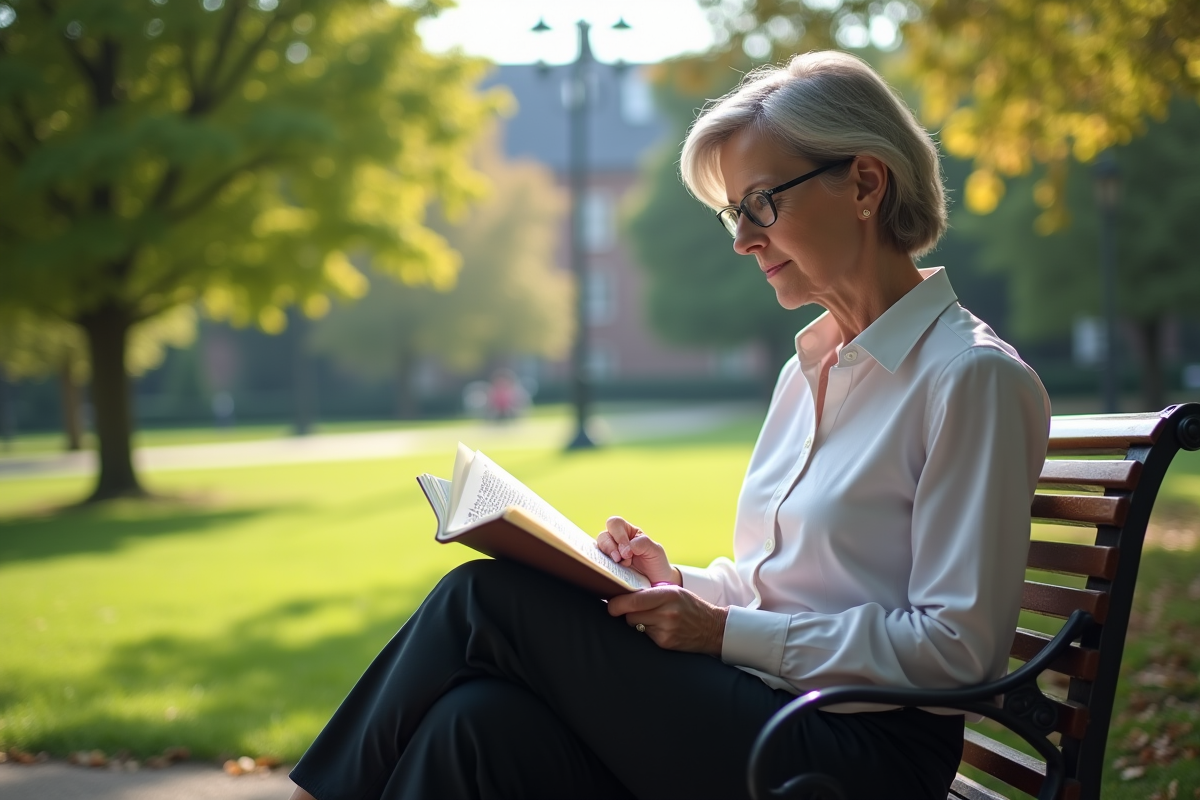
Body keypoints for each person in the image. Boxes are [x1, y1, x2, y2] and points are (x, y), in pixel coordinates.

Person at [287, 50, 1050, 800]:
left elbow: (958, 650)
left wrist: (718, 633)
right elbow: (775, 587)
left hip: (856, 758)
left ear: (864, 182)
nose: (743, 239)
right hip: (769, 713)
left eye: (761, 204)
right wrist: (673, 583)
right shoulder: (807, 371)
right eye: (733, 214)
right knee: (475, 723)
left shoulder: (970, 378)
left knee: (484, 601)